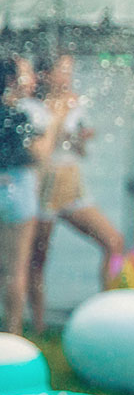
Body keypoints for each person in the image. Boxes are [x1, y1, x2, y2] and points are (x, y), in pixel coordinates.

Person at [25, 52, 125, 324]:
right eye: (63, 71)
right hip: (46, 185)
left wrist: (81, 137)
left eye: (70, 72)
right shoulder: (34, 108)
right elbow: (41, 152)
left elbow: (79, 151)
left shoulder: (74, 105)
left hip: (72, 183)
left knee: (113, 241)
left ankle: (108, 313)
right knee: (38, 258)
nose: (68, 78)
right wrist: (59, 113)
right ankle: (38, 324)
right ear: (46, 75)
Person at [3, 58, 64, 335]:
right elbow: (41, 156)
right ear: (12, 81)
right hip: (18, 187)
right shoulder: (19, 116)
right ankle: (12, 334)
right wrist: (54, 122)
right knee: (16, 268)